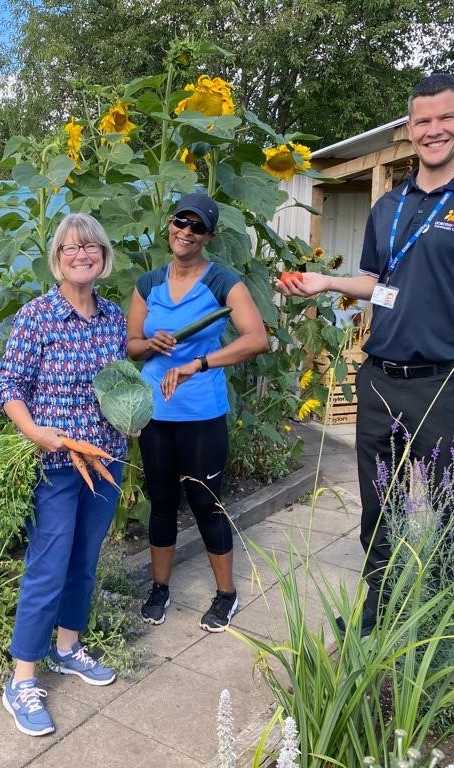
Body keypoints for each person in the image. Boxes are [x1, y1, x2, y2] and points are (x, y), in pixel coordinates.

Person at [277, 73, 454, 633]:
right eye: (423, 120)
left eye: (446, 117)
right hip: (380, 377)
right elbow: (381, 285)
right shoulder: (389, 206)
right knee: (380, 507)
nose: (434, 130)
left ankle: (441, 627)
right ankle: (379, 613)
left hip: (448, 381)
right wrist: (325, 283)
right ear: (409, 129)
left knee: (451, 511)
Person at [0, 213, 126, 737]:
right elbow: (9, 387)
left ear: (103, 255)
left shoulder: (113, 317)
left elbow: (116, 380)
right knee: (47, 565)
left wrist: (129, 415)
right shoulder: (37, 316)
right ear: (57, 257)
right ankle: (21, 677)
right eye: (71, 248)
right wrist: (39, 434)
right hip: (56, 461)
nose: (82, 254)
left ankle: (67, 647)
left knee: (85, 560)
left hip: (106, 458)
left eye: (91, 246)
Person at [127, 190, 269, 631]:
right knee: (162, 502)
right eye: (180, 222)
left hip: (201, 412)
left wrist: (198, 363)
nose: (185, 232)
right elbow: (131, 346)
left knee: (207, 505)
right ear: (169, 224)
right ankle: (160, 588)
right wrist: (150, 344)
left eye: (196, 226)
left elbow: (256, 338)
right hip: (155, 411)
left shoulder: (223, 281)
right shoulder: (148, 283)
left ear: (208, 235)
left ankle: (226, 593)